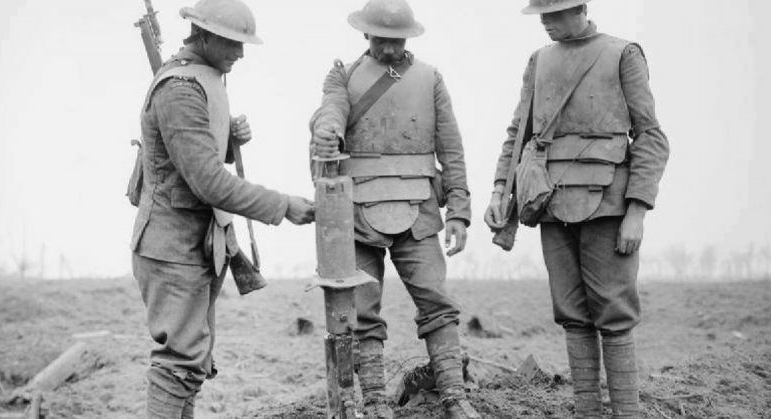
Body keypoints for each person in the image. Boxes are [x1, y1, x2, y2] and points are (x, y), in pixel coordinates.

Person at [484, 0, 670, 417]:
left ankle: (627, 413)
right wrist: (500, 190)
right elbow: (518, 134)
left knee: (615, 314)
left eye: (555, 14)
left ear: (582, 8)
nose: (546, 23)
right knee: (572, 314)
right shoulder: (539, 60)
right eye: (542, 15)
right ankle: (586, 411)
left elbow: (651, 137)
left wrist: (637, 210)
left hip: (609, 205)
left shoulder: (623, 53)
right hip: (550, 203)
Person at [130, 0, 315, 417]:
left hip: (195, 244)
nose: (241, 53)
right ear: (204, 35)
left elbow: (192, 157)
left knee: (191, 365)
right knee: (178, 364)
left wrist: (229, 140)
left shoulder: (206, 78)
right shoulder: (180, 89)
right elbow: (208, 182)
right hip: (171, 248)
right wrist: (282, 205)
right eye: (232, 42)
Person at [309, 0, 479, 417]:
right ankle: (376, 401)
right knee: (363, 310)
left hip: (419, 207)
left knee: (437, 301)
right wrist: (327, 130)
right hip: (358, 209)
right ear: (366, 35)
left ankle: (455, 397)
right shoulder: (343, 77)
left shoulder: (430, 78)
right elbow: (332, 108)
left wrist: (458, 210)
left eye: (396, 40)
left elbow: (451, 148)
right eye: (382, 40)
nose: (389, 49)